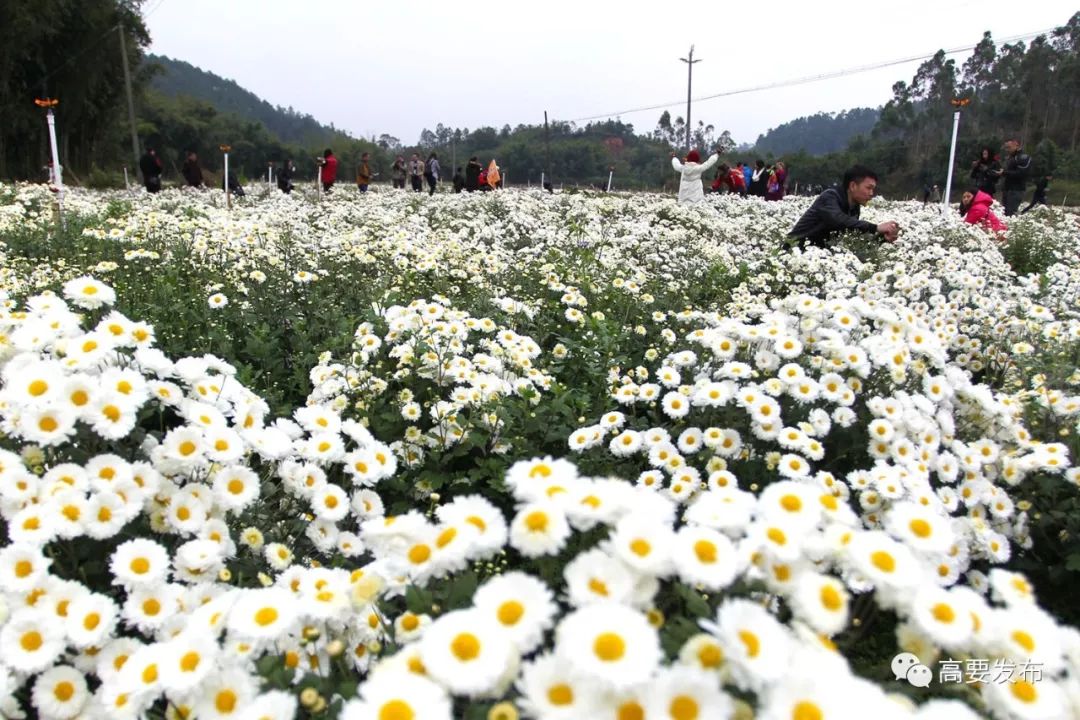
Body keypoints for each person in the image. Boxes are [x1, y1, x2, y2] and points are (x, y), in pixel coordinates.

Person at [787, 165, 899, 249]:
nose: (871, 193)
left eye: (873, 189)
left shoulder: (854, 207)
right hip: (793, 251)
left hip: (818, 255)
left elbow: (850, 237)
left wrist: (881, 238)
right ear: (853, 186)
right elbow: (837, 220)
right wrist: (876, 228)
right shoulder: (830, 196)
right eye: (868, 188)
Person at [1000, 138, 1031, 217]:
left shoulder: (1023, 157)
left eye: (1009, 147)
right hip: (1007, 189)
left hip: (1016, 190)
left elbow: (1021, 173)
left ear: (1016, 145)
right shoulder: (1010, 158)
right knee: (1004, 213)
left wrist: (1005, 172)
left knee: (1011, 214)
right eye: (1006, 147)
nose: (1007, 150)